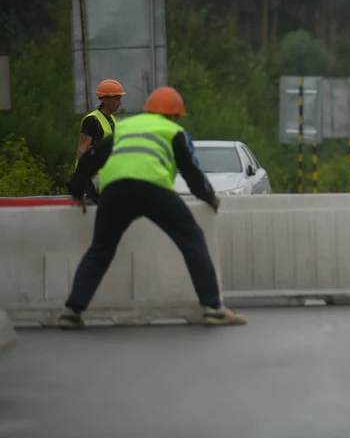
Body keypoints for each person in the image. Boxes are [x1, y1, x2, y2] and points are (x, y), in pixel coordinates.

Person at [59, 86, 246, 329]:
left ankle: (72, 312)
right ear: (171, 115)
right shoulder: (172, 131)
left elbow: (92, 157)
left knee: (99, 251)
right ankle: (213, 308)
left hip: (115, 191)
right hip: (153, 189)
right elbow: (190, 171)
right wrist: (209, 197)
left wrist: (76, 191)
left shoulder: (125, 127)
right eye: (177, 116)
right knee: (192, 239)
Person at [76, 79, 125, 205]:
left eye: (120, 98)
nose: (120, 102)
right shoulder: (92, 120)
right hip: (92, 178)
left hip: (105, 176)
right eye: (116, 99)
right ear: (105, 99)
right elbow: (82, 150)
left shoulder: (111, 119)